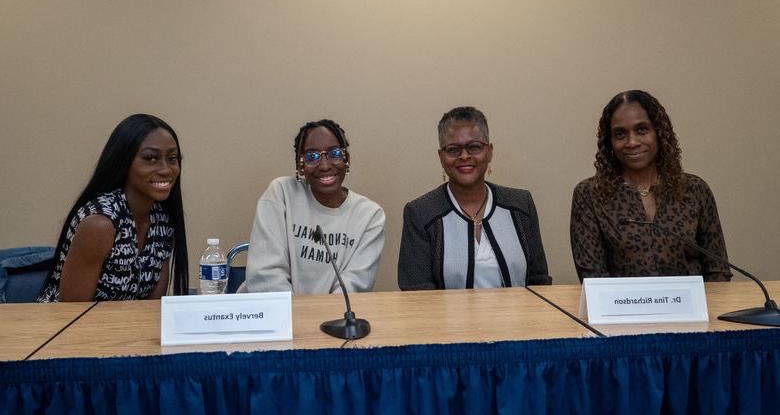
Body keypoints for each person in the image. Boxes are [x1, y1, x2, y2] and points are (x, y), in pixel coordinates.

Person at [570, 90, 732, 282]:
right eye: (620, 134)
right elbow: (593, 277)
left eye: (641, 130)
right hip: (622, 309)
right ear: (609, 142)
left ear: (659, 133)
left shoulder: (694, 190)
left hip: (692, 309)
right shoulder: (590, 195)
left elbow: (717, 270)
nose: (632, 142)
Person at [38, 114, 188, 302]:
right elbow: (72, 314)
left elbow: (153, 309)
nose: (166, 169)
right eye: (150, 158)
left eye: (172, 159)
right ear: (123, 162)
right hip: (64, 328)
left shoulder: (162, 219)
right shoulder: (100, 223)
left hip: (124, 328)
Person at [398, 106, 551, 290]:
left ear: (490, 151)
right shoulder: (421, 213)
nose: (464, 156)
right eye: (453, 149)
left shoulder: (520, 205)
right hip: (444, 319)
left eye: (474, 147)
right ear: (441, 156)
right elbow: (416, 293)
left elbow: (540, 282)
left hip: (519, 318)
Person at [240, 119, 385, 295]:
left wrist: (322, 320)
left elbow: (352, 288)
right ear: (300, 167)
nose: (324, 166)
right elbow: (266, 276)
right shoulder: (281, 194)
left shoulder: (369, 216)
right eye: (311, 157)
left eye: (334, 154)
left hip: (331, 320)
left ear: (347, 160)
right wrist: (295, 318)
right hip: (272, 316)